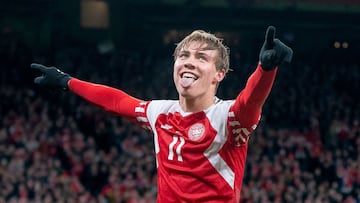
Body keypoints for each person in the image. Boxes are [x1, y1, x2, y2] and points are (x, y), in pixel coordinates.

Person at [30, 26, 292, 202]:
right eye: (184, 55)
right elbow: (116, 101)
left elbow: (250, 101)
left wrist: (265, 70)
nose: (189, 61)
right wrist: (67, 81)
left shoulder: (227, 119)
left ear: (219, 74)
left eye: (202, 57)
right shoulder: (159, 112)